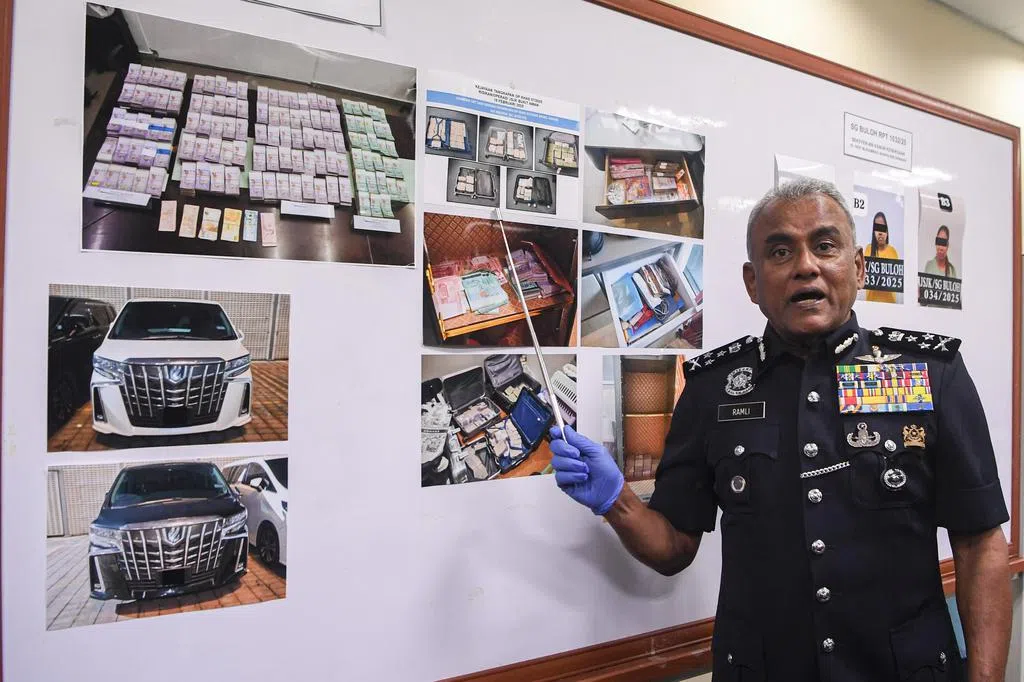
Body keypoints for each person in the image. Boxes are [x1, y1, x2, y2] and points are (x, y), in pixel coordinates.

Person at [550, 178, 1010, 681]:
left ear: (858, 267)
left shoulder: (929, 374)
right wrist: (616, 500)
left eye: (826, 245)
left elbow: (980, 544)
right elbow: (675, 544)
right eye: (780, 252)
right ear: (753, 282)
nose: (805, 266)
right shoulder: (712, 389)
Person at [863, 211, 899, 304]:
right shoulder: (868, 249)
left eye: (882, 228)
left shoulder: (893, 251)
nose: (880, 233)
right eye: (877, 228)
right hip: (871, 303)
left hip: (890, 304)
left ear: (887, 231)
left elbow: (896, 280)